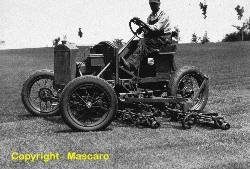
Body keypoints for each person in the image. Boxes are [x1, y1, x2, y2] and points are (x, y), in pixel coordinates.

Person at [126, 0, 173, 71]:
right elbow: (148, 30)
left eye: (154, 4)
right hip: (154, 40)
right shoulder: (150, 17)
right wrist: (142, 28)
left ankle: (132, 65)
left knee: (143, 42)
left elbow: (156, 28)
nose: (152, 6)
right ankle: (125, 64)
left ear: (159, 4)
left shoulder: (164, 15)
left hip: (163, 40)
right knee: (133, 43)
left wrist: (143, 25)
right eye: (151, 4)